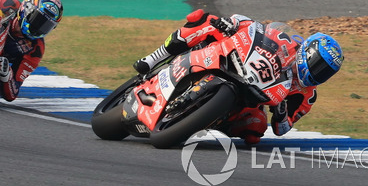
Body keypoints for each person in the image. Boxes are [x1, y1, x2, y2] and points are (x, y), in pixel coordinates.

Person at [132, 9, 344, 145]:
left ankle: (206, 120)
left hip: (254, 96)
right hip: (239, 62)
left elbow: (283, 129)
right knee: (205, 20)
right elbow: (257, 28)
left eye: (325, 72)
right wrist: (233, 24)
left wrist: (280, 114)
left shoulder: (307, 96)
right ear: (307, 52)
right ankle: (152, 58)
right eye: (318, 65)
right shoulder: (288, 41)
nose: (319, 73)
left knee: (256, 130)